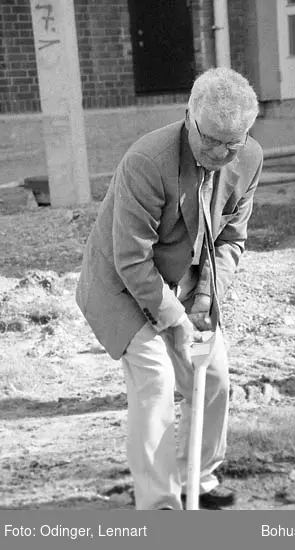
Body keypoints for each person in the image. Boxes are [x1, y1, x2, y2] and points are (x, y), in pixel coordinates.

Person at [76, 67, 263, 510]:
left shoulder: (250, 157)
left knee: (213, 375)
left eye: (231, 143)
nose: (220, 152)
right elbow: (132, 259)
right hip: (120, 286)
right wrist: (174, 320)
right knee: (156, 380)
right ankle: (159, 506)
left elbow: (231, 237)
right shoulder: (148, 160)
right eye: (211, 139)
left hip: (188, 283)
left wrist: (202, 298)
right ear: (188, 117)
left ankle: (196, 478)